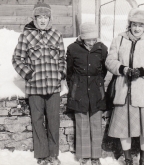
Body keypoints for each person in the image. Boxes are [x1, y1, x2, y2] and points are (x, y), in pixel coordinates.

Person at [105, 8, 144, 165]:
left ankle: (143, 160)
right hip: (124, 92)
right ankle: (128, 159)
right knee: (124, 128)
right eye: (134, 24)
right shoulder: (119, 40)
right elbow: (109, 61)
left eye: (141, 25)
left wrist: (142, 71)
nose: (137, 28)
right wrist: (123, 69)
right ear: (129, 25)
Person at [12, 2, 66, 165]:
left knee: (53, 121)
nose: (42, 20)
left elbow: (62, 58)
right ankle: (42, 156)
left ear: (50, 18)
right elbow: (17, 59)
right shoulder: (26, 36)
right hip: (35, 87)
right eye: (39, 17)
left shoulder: (57, 35)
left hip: (53, 87)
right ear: (34, 18)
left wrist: (60, 74)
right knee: (37, 120)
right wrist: (28, 74)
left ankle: (53, 154)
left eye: (45, 17)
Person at [66, 22, 108, 165]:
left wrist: (98, 83)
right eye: (88, 39)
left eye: (93, 39)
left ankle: (95, 156)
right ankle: (84, 155)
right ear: (82, 37)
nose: (91, 42)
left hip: (97, 90)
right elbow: (69, 71)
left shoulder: (102, 49)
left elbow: (104, 70)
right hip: (79, 90)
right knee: (82, 123)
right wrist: (75, 86)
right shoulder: (73, 49)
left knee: (96, 123)